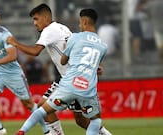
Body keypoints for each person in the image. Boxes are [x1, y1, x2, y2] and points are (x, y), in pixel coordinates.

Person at [7, 3, 112, 135]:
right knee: (80, 120)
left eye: (36, 19)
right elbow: (78, 49)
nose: (34, 23)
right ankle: (103, 132)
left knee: (43, 107)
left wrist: (15, 43)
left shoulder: (49, 30)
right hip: (76, 77)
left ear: (46, 18)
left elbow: (35, 51)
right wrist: (92, 66)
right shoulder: (63, 28)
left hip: (69, 79)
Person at [0, 8, 50, 135]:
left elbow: (12, 56)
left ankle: (47, 131)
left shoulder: (5, 35)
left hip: (13, 74)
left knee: (28, 104)